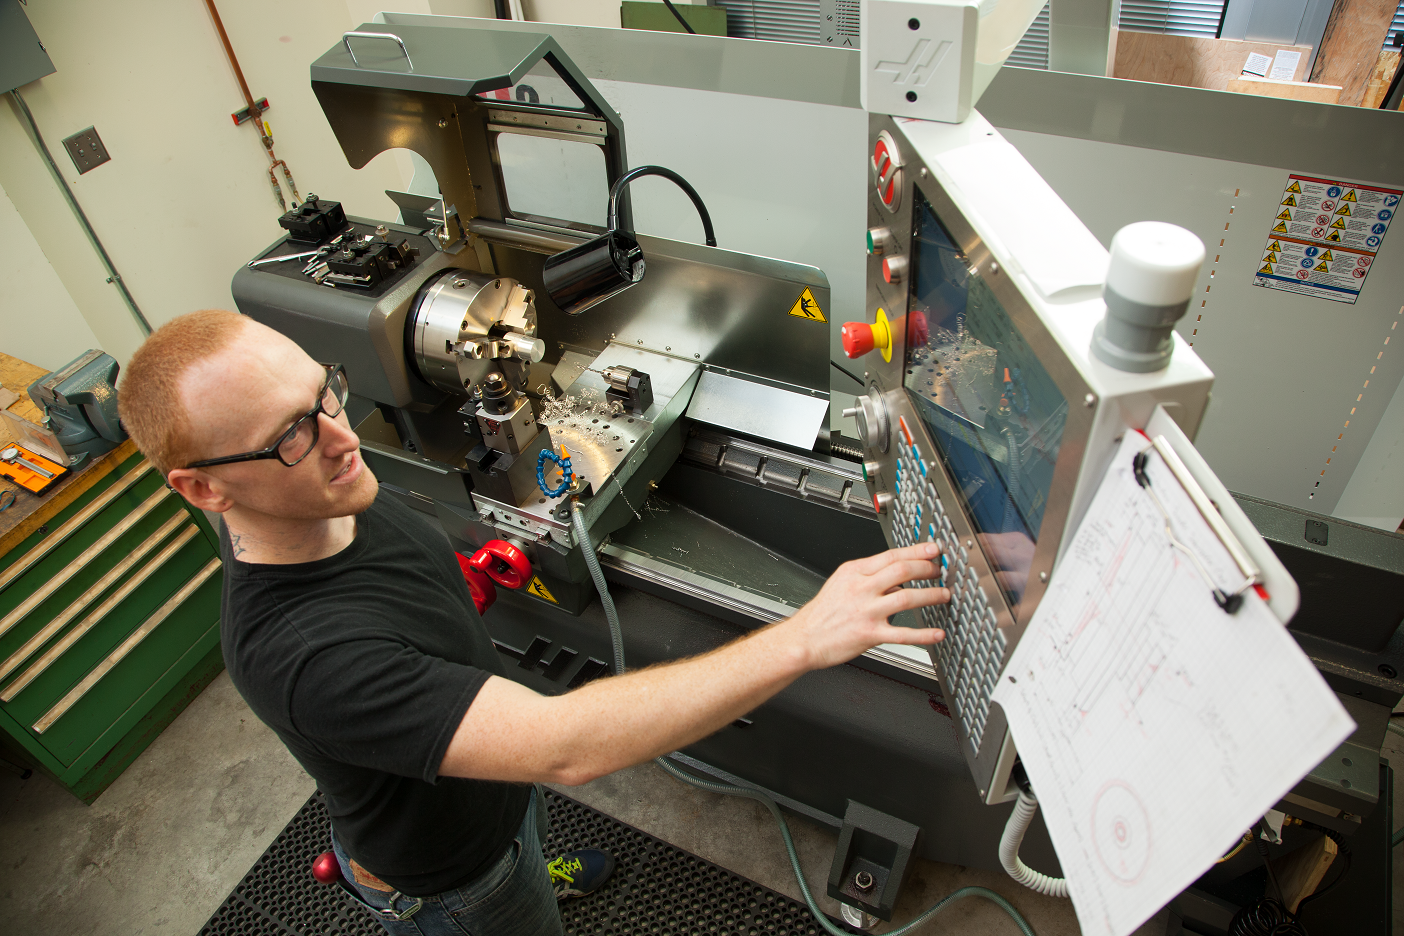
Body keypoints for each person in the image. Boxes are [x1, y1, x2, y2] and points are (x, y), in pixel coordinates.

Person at [117, 310, 952, 936]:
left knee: (519, 832)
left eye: (323, 392)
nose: (342, 438)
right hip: (451, 879)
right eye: (291, 435)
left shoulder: (315, 493)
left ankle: (532, 870)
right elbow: (565, 748)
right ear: (202, 489)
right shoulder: (303, 656)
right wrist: (804, 635)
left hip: (489, 796)